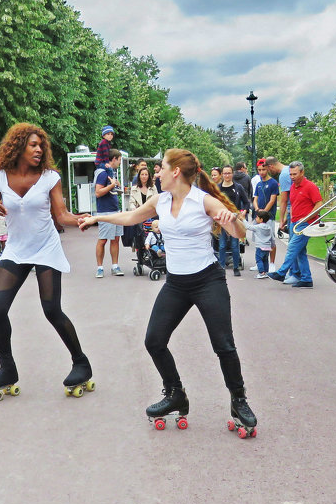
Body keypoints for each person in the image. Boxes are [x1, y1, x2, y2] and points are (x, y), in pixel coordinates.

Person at [80, 148, 258, 436]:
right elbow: (131, 216)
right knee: (154, 340)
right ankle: (175, 393)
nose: (157, 172)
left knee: (223, 345)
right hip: (176, 283)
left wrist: (231, 221)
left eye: (161, 167)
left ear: (175, 171)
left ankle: (239, 401)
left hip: (208, 281)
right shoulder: (160, 200)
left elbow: (240, 234)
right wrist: (97, 219)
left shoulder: (204, 201)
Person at [0, 123, 92, 399]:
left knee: (52, 310)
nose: (39, 149)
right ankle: (7, 368)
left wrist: (83, 219)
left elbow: (61, 215)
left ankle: (81, 362)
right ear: (18, 147)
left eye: (41, 145)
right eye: (33, 145)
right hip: (16, 249)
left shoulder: (49, 177)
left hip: (45, 248)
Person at [267, 159, 321, 288]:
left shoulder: (310, 186)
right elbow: (294, 204)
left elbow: (319, 204)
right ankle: (307, 279)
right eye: (290, 174)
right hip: (294, 221)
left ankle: (281, 272)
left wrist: (308, 217)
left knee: (292, 247)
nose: (292, 177)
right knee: (300, 251)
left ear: (302, 172)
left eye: (294, 174)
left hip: (306, 223)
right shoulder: (293, 186)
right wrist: (286, 218)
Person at [93, 149, 125, 278]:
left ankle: (115, 266)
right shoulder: (102, 173)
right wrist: (112, 186)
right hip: (105, 212)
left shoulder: (112, 172)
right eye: (119, 160)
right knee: (103, 240)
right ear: (114, 159)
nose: (120, 162)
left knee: (116, 239)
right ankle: (100, 268)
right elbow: (98, 192)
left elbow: (112, 188)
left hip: (115, 210)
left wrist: (116, 185)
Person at [217, 165, 247, 276]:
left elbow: (246, 202)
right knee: (222, 245)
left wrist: (243, 211)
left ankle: (236, 267)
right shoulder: (218, 188)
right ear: (222, 175)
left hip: (234, 219)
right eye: (225, 173)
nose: (227, 175)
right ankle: (221, 267)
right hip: (222, 219)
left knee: (235, 245)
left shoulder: (238, 187)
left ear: (232, 174)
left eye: (229, 173)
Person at [252, 159, 279, 269]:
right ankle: (260, 263)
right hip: (258, 216)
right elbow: (255, 198)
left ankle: (271, 263)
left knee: (270, 240)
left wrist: (264, 212)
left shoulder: (273, 183)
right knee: (259, 240)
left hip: (269, 217)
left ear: (267, 169)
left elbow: (272, 200)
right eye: (259, 170)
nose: (261, 172)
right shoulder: (258, 184)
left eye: (263, 169)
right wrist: (257, 209)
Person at [244, 209, 274, 278]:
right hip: (267, 247)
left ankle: (261, 272)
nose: (256, 218)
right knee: (265, 260)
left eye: (257, 217)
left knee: (259, 260)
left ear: (261, 219)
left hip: (260, 246)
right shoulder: (269, 227)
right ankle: (266, 272)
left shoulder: (258, 227)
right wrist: (272, 245)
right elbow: (272, 237)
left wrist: (243, 220)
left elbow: (248, 227)